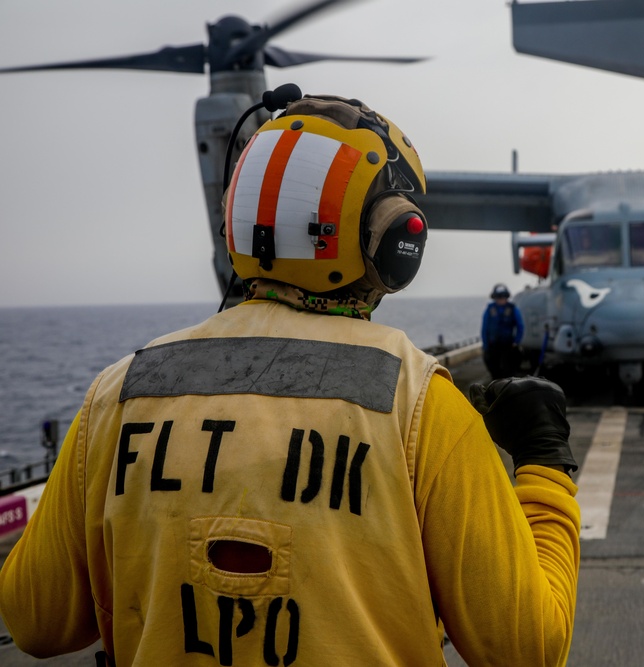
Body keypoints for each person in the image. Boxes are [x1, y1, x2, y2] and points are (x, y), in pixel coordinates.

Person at [0, 94, 581, 667]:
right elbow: (527, 647)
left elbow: (36, 620)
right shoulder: (419, 402)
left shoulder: (119, 393)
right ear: (392, 239)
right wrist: (545, 465)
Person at [481, 283, 525, 379]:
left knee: (509, 371)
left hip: (508, 345)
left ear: (506, 297)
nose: (501, 299)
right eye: (498, 297)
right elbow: (484, 328)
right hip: (493, 346)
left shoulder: (513, 309)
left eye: (503, 297)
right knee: (494, 370)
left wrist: (517, 342)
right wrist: (485, 345)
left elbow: (520, 326)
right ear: (494, 298)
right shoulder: (490, 309)